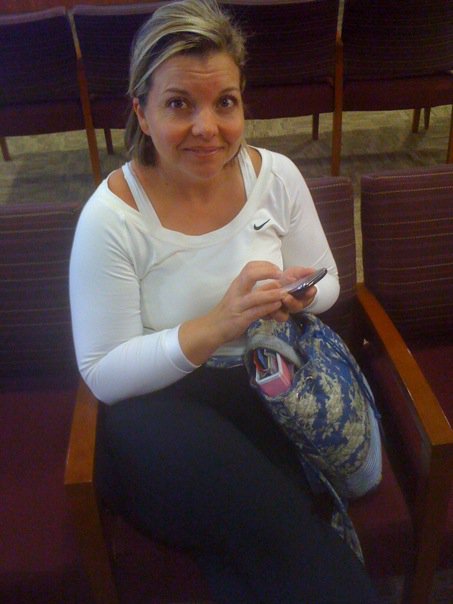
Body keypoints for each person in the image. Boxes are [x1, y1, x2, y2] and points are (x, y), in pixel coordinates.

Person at [69, 1, 380, 602]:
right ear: (141, 111)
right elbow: (104, 372)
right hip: (160, 408)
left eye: (225, 102)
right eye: (179, 104)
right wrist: (218, 323)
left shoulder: (276, 176)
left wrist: (298, 295)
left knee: (253, 544)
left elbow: (330, 283)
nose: (207, 128)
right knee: (281, 530)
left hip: (264, 383)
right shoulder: (111, 219)